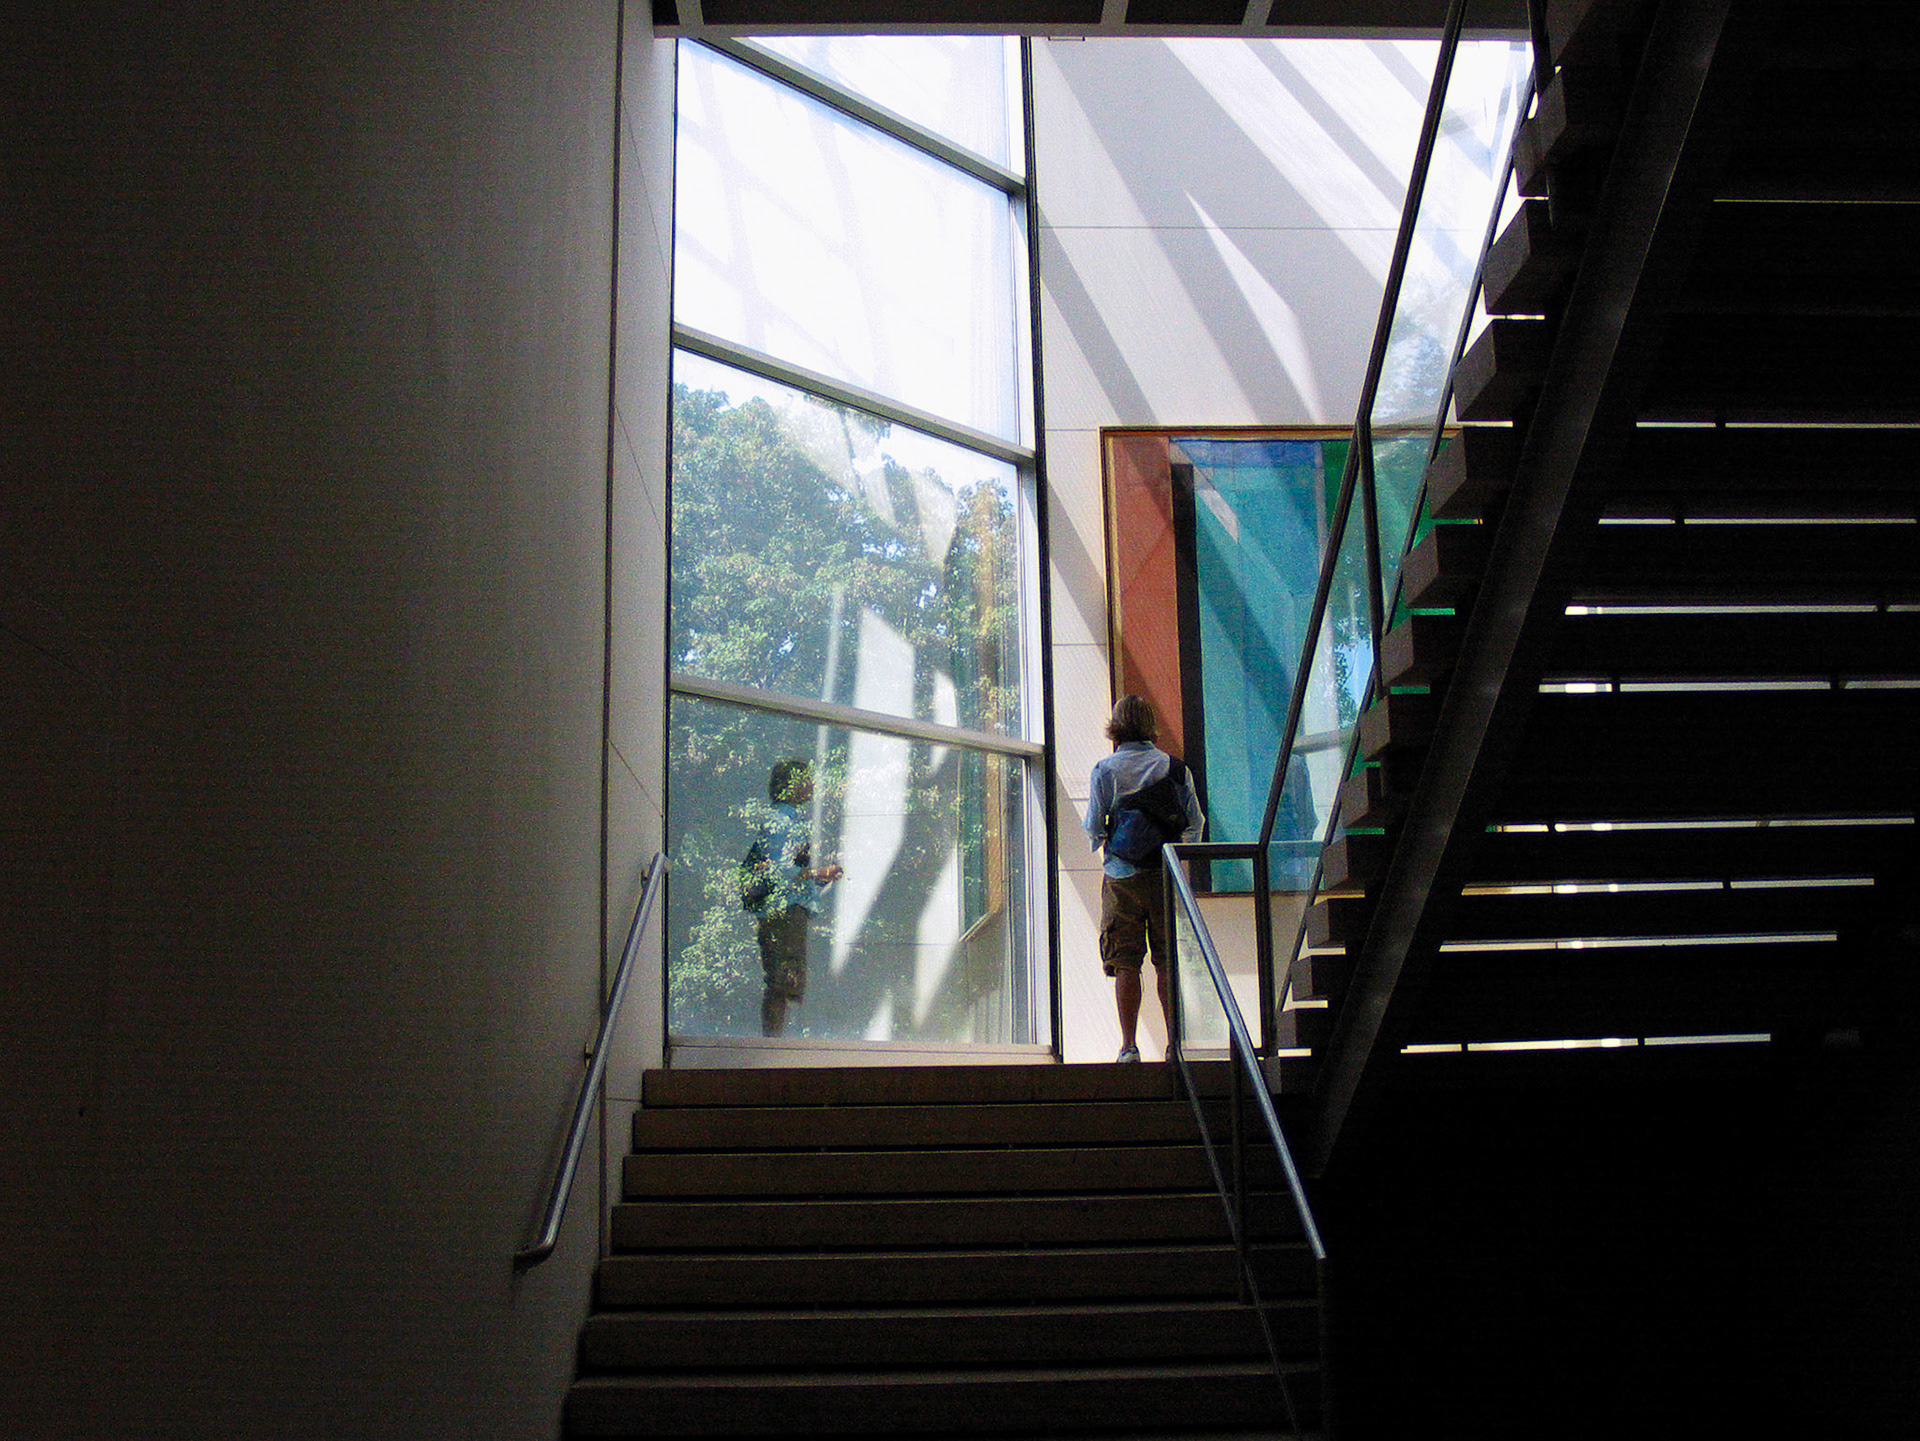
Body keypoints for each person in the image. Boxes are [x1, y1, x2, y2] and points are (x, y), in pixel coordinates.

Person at [1083, 695, 1205, 1062]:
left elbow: (1093, 829)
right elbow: (1195, 823)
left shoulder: (1105, 770)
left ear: (1116, 726)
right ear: (1150, 725)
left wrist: (1112, 840)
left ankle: (1128, 1046)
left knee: (1126, 963)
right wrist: (1176, 854)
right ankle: (1174, 1046)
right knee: (1166, 962)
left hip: (1121, 877)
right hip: (1164, 876)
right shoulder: (1176, 768)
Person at [750, 759, 842, 1037]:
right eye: (806, 779)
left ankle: (776, 1040)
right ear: (790, 786)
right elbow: (777, 869)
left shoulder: (791, 821)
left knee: (789, 981)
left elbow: (791, 872)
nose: (812, 784)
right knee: (782, 981)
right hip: (782, 913)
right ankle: (772, 1043)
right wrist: (818, 873)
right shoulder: (780, 821)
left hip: (789, 911)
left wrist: (819, 878)